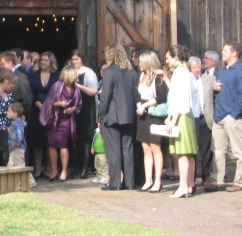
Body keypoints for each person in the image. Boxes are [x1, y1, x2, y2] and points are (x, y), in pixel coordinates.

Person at [206, 42, 242, 192]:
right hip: (219, 115)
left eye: (225, 50)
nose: (222, 52)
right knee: (217, 150)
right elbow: (223, 90)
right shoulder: (222, 71)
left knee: (238, 151)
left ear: (234, 53)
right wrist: (217, 90)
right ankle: (216, 179)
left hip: (232, 117)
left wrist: (233, 115)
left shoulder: (241, 71)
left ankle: (241, 182)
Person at [98, 44, 138, 191]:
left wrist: (101, 115)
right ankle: (129, 182)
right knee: (128, 149)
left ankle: (115, 183)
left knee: (113, 150)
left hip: (112, 115)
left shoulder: (109, 72)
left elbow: (105, 96)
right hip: (129, 115)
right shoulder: (132, 72)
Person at [163, 45, 198, 198]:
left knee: (183, 153)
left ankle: (183, 186)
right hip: (187, 115)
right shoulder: (185, 71)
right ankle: (190, 185)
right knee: (188, 154)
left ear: (175, 58)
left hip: (182, 116)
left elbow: (179, 99)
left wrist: (173, 119)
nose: (166, 61)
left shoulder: (180, 72)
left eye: (168, 58)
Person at [40, 65, 82, 182]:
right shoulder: (57, 86)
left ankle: (64, 171)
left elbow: (78, 105)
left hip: (67, 120)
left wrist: (72, 109)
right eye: (75, 74)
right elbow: (48, 103)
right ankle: (54, 170)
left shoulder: (76, 89)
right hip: (55, 120)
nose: (77, 76)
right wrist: (59, 104)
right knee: (52, 146)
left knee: (63, 145)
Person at [135, 52, 168, 192]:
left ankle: (158, 181)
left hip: (154, 114)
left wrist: (145, 106)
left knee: (155, 148)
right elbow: (136, 93)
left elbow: (161, 97)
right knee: (146, 148)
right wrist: (139, 106)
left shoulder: (158, 78)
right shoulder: (141, 76)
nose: (139, 64)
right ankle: (148, 180)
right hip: (142, 114)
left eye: (142, 61)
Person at [28, 52, 59, 178]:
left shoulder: (57, 76)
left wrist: (49, 106)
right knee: (37, 142)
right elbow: (31, 92)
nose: (43, 62)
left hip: (53, 111)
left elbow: (59, 91)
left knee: (50, 141)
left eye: (46, 60)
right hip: (37, 111)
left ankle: (50, 169)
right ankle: (38, 169)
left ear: (51, 62)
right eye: (41, 60)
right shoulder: (34, 75)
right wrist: (39, 105)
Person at [70, 49, 98, 180]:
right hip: (73, 108)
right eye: (73, 59)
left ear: (82, 59)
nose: (74, 61)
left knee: (85, 139)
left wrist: (78, 86)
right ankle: (74, 167)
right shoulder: (70, 72)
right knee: (73, 138)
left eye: (77, 59)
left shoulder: (89, 73)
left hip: (86, 108)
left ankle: (85, 168)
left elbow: (93, 91)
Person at [191, 56, 216, 187]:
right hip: (192, 117)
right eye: (194, 67)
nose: (197, 70)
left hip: (205, 118)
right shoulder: (188, 80)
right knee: (192, 149)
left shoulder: (209, 79)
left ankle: (206, 176)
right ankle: (192, 177)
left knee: (206, 149)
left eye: (199, 67)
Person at [0, 51, 33, 117]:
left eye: (3, 64)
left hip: (17, 117)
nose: (1, 66)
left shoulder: (21, 77)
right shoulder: (1, 76)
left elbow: (28, 98)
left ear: (10, 63)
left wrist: (24, 115)